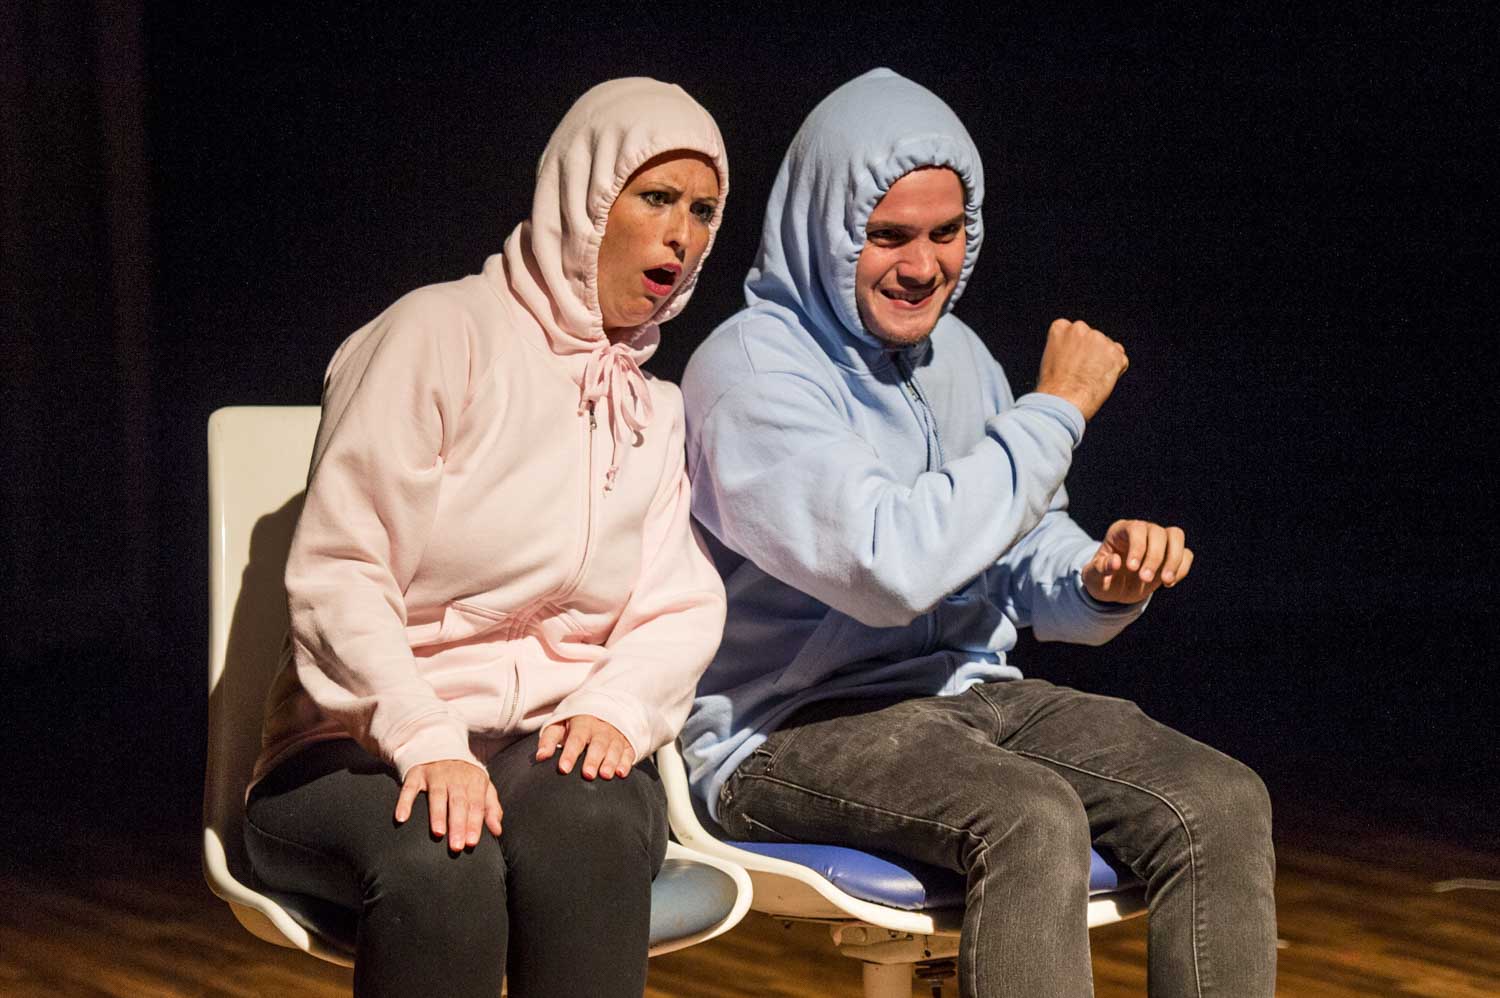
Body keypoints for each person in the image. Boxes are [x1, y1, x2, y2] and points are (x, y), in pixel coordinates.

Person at [679, 68, 1275, 997]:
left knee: (1222, 802)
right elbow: (889, 568)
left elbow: (1019, 545)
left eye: (947, 233)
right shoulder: (749, 372)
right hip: (786, 729)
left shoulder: (956, 354)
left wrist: (1095, 577)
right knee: (1031, 818)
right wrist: (1057, 409)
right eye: (888, 236)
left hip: (964, 699)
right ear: (825, 230)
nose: (924, 267)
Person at [243, 78, 729, 998]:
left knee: (589, 828)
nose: (682, 234)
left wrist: (618, 707)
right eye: (657, 198)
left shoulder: (653, 408)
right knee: (446, 857)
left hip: (545, 740)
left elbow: (678, 602)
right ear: (584, 200)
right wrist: (424, 737)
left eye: (702, 211)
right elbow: (341, 573)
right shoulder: (437, 334)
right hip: (360, 742)